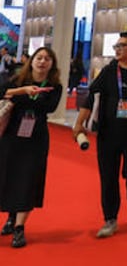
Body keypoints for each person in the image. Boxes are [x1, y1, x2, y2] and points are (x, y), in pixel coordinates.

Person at [71, 31, 127, 239]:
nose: (117, 49)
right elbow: (90, 98)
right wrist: (79, 124)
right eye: (116, 46)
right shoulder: (109, 71)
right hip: (108, 133)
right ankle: (110, 219)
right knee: (108, 178)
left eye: (122, 46)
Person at [0, 46, 62, 248]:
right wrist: (24, 91)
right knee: (8, 176)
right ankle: (10, 216)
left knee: (28, 180)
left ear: (52, 64)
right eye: (39, 57)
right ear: (32, 60)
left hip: (36, 138)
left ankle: (19, 228)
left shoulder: (55, 86)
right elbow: (3, 92)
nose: (42, 62)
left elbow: (49, 107)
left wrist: (21, 98)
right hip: (11, 135)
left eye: (47, 59)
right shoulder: (17, 79)